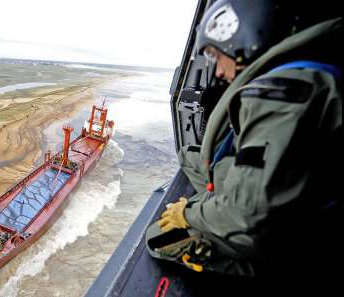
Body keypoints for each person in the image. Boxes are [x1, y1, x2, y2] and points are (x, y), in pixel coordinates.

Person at [146, 0, 341, 287]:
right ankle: (212, 207)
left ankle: (261, 267)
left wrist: (187, 214)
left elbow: (246, 213)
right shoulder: (300, 72)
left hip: (285, 235)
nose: (217, 73)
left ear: (242, 40)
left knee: (156, 238)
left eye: (215, 54)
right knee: (188, 154)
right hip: (291, 192)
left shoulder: (279, 93)